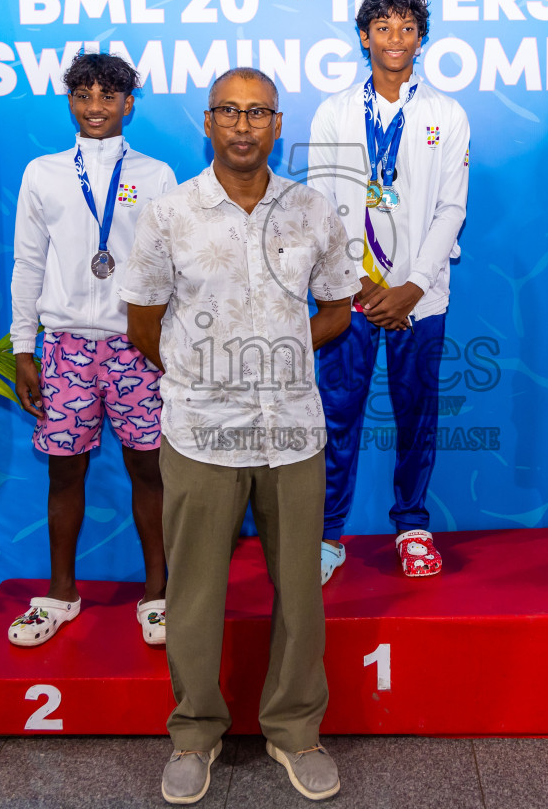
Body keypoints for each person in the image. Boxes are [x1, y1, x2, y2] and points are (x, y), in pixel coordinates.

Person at [120, 68, 356, 804]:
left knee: (300, 592)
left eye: (258, 112)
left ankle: (295, 730)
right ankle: (195, 733)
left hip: (292, 432)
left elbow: (341, 309)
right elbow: (143, 323)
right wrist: (206, 374)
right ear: (209, 122)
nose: (244, 125)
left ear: (277, 125)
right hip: (199, 432)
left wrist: (280, 356)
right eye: (230, 111)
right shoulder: (168, 215)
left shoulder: (315, 210)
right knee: (193, 594)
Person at [8, 52, 177, 648]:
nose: (96, 107)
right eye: (83, 95)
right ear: (70, 102)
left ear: (129, 104)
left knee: (149, 469)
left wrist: (164, 345)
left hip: (137, 349)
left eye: (109, 96)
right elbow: (28, 262)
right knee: (64, 471)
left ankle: (157, 592)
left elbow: (166, 266)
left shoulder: (156, 175)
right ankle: (60, 593)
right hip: (64, 347)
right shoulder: (43, 173)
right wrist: (23, 348)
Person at [307, 0, 469, 583]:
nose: (395, 40)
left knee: (417, 412)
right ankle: (327, 534)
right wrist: (354, 287)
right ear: (364, 37)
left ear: (421, 39)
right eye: (383, 29)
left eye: (407, 29)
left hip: (419, 299)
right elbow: (321, 203)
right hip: (349, 296)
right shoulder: (335, 111)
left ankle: (412, 526)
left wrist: (413, 287)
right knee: (337, 411)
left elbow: (451, 207)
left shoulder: (445, 114)